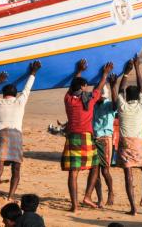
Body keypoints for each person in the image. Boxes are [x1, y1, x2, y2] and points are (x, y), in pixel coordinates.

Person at [61, 59, 113, 212]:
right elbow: (100, 86)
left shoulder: (68, 100)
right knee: (95, 166)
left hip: (72, 137)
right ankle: (87, 196)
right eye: (85, 85)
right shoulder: (90, 99)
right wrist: (105, 73)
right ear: (83, 87)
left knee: (73, 172)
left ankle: (74, 205)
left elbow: (73, 86)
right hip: (86, 137)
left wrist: (79, 70)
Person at [0, 61, 42, 202]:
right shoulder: (20, 102)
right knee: (16, 169)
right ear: (15, 94)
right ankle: (10, 196)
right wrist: (33, 73)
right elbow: (27, 89)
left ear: (4, 94)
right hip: (16, 136)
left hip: (2, 135)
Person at [114, 55, 142, 215]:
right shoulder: (141, 106)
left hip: (124, 145)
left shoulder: (122, 107)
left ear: (127, 97)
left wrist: (126, 73)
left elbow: (120, 90)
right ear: (137, 97)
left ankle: (133, 208)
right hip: (137, 144)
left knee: (128, 175)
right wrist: (137, 68)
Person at [92, 78, 117, 208]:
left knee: (105, 171)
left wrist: (113, 86)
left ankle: (111, 192)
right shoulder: (94, 105)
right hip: (94, 138)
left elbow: (116, 104)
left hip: (106, 139)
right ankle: (100, 198)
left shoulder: (109, 105)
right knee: (95, 172)